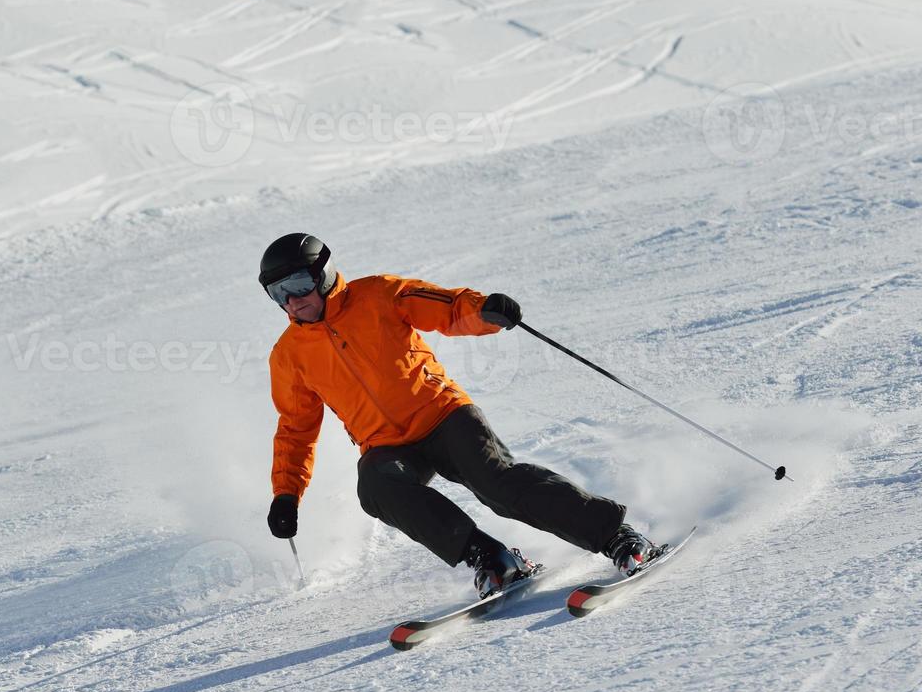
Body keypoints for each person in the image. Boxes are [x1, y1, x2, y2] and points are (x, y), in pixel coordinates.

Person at [260, 232, 659, 598]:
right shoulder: (290, 354)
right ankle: (493, 559)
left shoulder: (379, 294)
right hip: (386, 444)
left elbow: (446, 307)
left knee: (496, 484)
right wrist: (286, 494)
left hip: (444, 416)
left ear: (324, 275)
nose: (292, 301)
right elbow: (296, 429)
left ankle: (616, 536)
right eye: (279, 293)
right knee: (377, 487)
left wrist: (485, 311)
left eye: (298, 285)